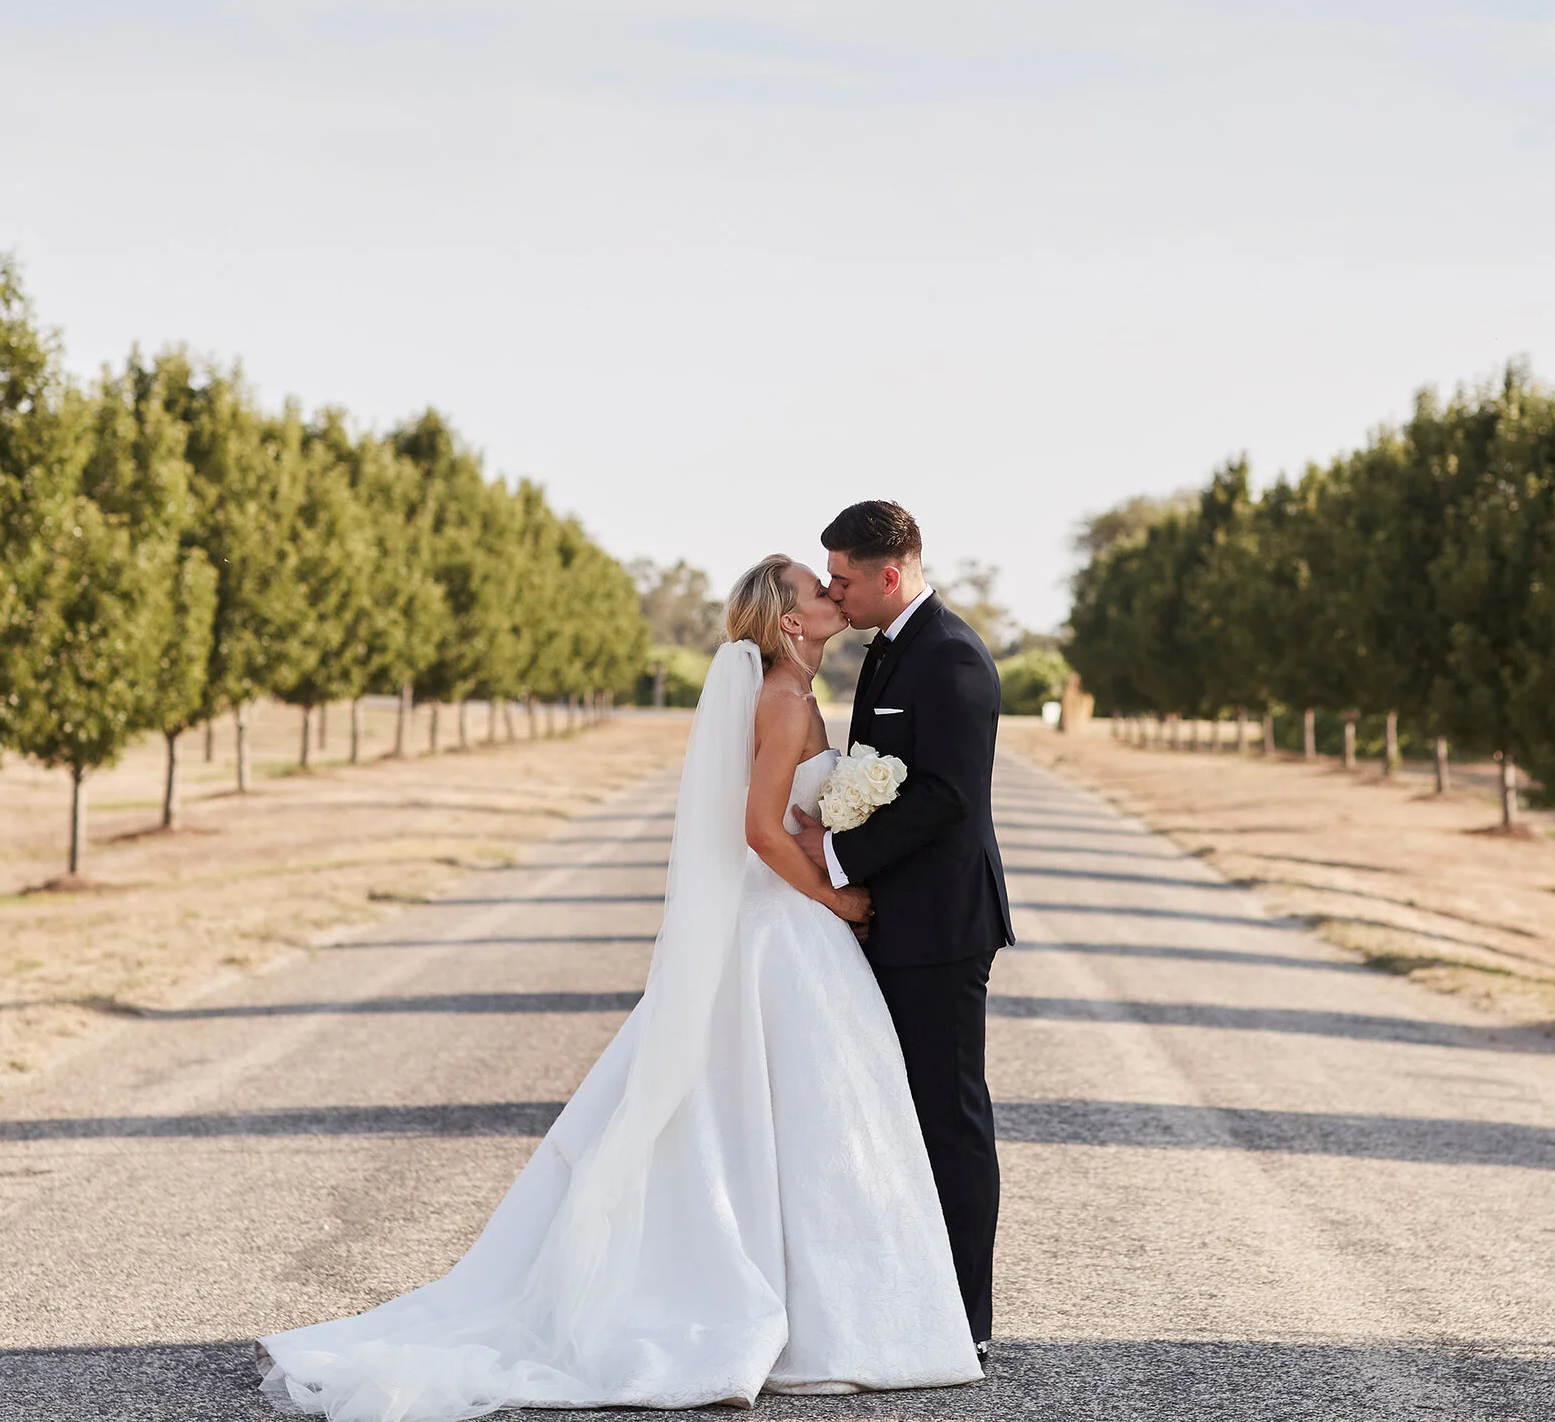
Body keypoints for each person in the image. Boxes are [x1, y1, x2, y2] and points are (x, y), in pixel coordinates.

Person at [259, 554, 980, 1421]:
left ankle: (813, 1293)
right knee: (787, 1109)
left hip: (787, 923)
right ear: (789, 622)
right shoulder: (784, 701)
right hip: (786, 925)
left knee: (781, 1113)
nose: (831, 594)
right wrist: (832, 893)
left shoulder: (794, 691)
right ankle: (817, 1309)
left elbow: (783, 815)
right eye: (814, 587)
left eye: (835, 582)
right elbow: (757, 830)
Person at [792, 499, 1013, 1356]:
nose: (835, 594)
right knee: (894, 1114)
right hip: (895, 922)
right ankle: (910, 1302)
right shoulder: (888, 650)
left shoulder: (951, 658)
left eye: (844, 580)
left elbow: (948, 796)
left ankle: (967, 1324)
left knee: (949, 1118)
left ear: (891, 575)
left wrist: (837, 859)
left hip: (941, 927)